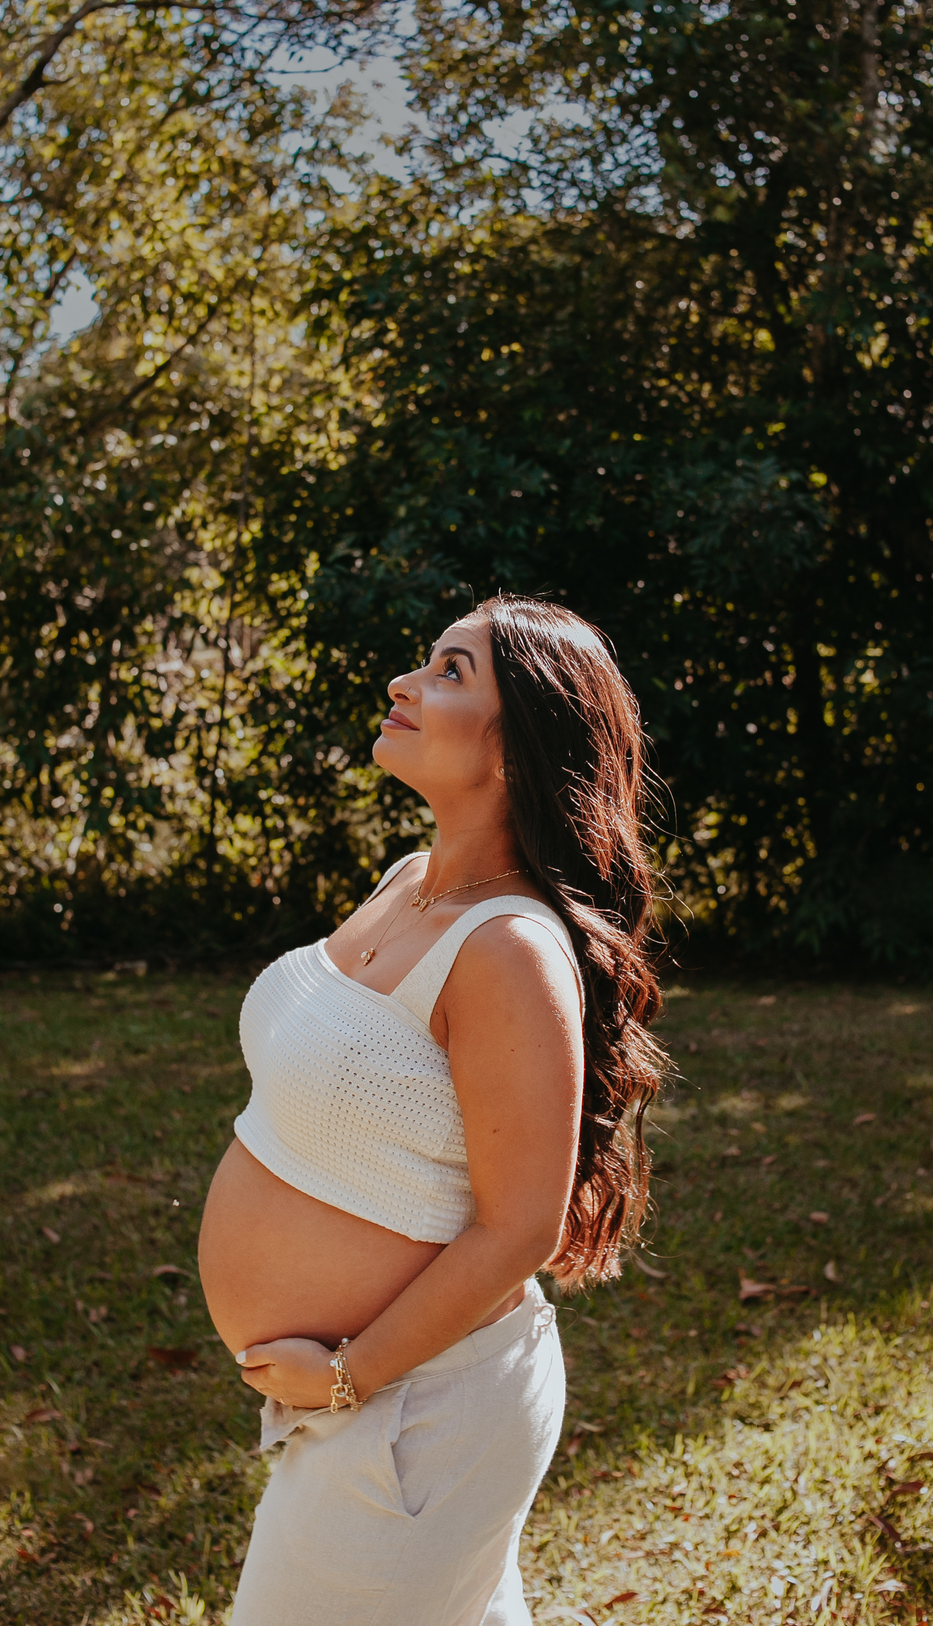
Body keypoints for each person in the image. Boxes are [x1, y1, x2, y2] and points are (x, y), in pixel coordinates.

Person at [198, 594, 667, 1626]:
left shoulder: (507, 950)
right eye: (426, 660)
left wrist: (346, 1380)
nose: (406, 684)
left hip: (419, 1409)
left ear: (518, 748)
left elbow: (520, 1231)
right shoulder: (410, 880)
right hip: (391, 1404)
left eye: (451, 672)